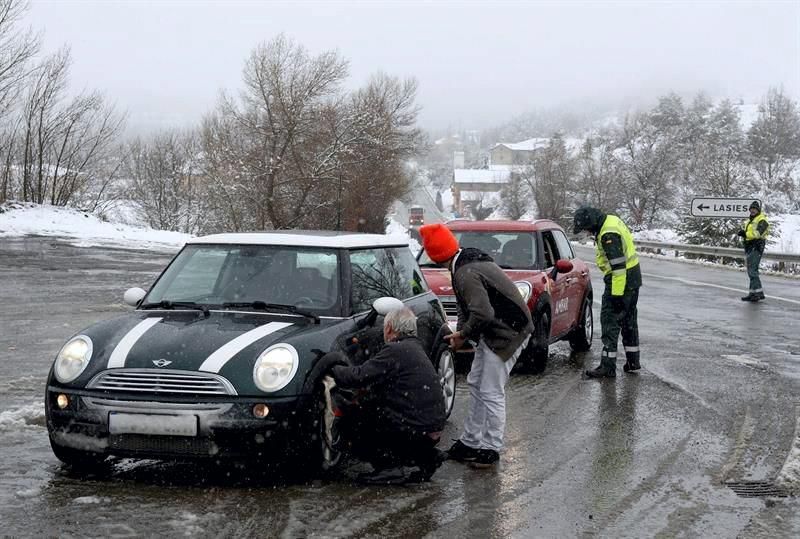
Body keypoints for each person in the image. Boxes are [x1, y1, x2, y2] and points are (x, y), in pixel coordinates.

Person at [418, 223, 533, 468]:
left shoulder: (465, 272)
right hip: (497, 330)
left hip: (507, 333)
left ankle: (490, 448)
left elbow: (482, 313)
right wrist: (462, 334)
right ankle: (470, 442)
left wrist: (464, 334)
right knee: (476, 382)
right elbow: (465, 307)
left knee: (490, 390)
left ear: (436, 255)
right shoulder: (464, 263)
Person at [330, 307, 447, 484]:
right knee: (377, 407)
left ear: (390, 328)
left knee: (352, 419)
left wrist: (332, 366)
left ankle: (388, 468)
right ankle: (426, 457)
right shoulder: (416, 348)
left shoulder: (395, 350)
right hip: (430, 427)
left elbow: (358, 376)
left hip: (412, 430)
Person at [573, 206, 642, 379]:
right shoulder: (610, 220)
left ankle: (607, 367)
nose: (586, 234)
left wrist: (617, 296)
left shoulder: (608, 234)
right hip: (632, 279)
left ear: (590, 224)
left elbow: (618, 268)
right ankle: (633, 361)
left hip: (621, 282)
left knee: (610, 322)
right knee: (629, 322)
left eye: (585, 230)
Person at [737, 200, 769, 302]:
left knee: (752, 270)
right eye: (751, 209)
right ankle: (752, 293)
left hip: (757, 246)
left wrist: (745, 234)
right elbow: (749, 233)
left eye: (754, 209)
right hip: (749, 246)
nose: (752, 211)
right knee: (750, 270)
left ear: (758, 210)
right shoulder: (749, 220)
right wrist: (743, 233)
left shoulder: (762, 220)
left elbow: (758, 233)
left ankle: (758, 293)